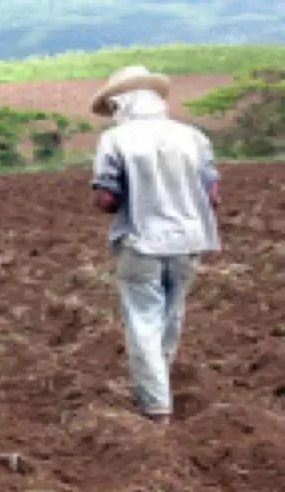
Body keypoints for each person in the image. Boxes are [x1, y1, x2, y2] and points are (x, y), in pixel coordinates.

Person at [89, 66, 221, 425]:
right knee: (171, 315)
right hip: (190, 240)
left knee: (143, 320)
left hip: (140, 241)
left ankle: (155, 408)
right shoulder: (194, 137)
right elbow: (212, 196)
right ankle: (158, 386)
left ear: (121, 104)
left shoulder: (115, 140)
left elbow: (107, 198)